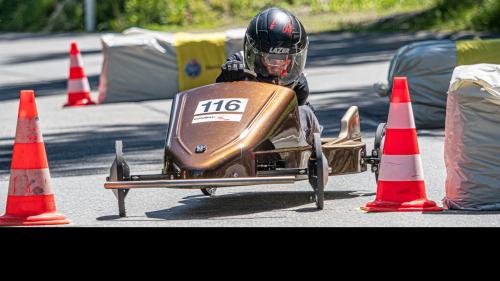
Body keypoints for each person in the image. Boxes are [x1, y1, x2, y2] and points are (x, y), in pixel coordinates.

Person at [216, 7, 321, 145]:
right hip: (244, 132)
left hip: (282, 136)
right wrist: (226, 79)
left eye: (284, 58)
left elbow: (301, 115)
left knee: (306, 111)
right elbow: (217, 102)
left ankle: (305, 157)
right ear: (258, 56)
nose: (278, 63)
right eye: (272, 58)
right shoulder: (239, 63)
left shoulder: (296, 77)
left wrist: (299, 99)